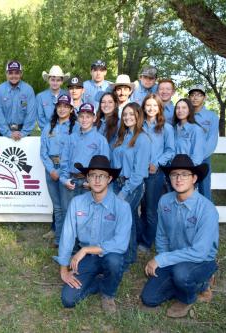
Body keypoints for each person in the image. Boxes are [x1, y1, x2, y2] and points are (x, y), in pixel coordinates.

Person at [141, 154, 218, 318]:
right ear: (169, 178)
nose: (179, 179)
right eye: (174, 174)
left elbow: (200, 252)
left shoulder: (207, 209)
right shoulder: (165, 201)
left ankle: (191, 294)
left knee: (181, 274)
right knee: (149, 298)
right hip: (174, 258)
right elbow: (161, 235)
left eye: (184, 174)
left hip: (200, 260)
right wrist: (162, 258)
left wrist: (160, 260)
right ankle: (193, 283)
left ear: (194, 178)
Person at [55, 155, 131, 313]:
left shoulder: (122, 207)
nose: (97, 180)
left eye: (101, 176)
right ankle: (98, 282)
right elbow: (67, 236)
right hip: (87, 259)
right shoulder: (77, 203)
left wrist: (86, 249)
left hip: (110, 254)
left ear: (109, 179)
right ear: (87, 178)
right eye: (92, 175)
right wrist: (63, 269)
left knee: (114, 262)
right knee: (68, 299)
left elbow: (121, 244)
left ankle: (108, 293)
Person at [59, 103, 110, 246]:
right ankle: (69, 247)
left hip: (89, 184)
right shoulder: (71, 138)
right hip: (72, 181)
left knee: (88, 216)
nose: (84, 119)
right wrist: (64, 180)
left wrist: (94, 183)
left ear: (94, 118)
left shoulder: (100, 140)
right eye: (81, 116)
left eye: (88, 116)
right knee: (68, 215)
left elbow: (104, 167)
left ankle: (86, 248)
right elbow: (64, 161)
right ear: (77, 119)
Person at [112, 102, 151, 268]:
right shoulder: (123, 136)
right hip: (118, 182)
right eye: (125, 114)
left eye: (131, 114)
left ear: (138, 116)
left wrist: (124, 192)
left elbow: (139, 173)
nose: (127, 117)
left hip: (132, 186)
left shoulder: (142, 139)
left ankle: (127, 258)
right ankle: (130, 253)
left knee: (125, 220)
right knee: (131, 219)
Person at [138, 94, 175, 252]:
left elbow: (170, 150)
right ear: (144, 107)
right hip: (138, 173)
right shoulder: (138, 126)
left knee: (151, 209)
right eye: (148, 105)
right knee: (140, 206)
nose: (151, 108)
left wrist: (157, 163)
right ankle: (140, 236)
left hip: (155, 173)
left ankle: (147, 242)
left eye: (154, 105)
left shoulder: (166, 128)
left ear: (160, 107)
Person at [40, 95, 76, 244]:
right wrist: (51, 170)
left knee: (67, 207)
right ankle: (59, 238)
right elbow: (43, 151)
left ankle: (68, 239)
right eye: (59, 106)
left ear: (71, 109)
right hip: (51, 170)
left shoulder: (75, 127)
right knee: (57, 207)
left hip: (66, 170)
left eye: (66, 106)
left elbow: (75, 150)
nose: (62, 109)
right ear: (56, 107)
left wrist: (61, 171)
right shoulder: (49, 126)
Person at [188, 85, 219, 201]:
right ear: (189, 97)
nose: (195, 98)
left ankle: (206, 218)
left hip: (203, 159)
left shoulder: (211, 116)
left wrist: (198, 158)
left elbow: (212, 140)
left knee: (204, 190)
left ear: (204, 98)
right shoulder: (185, 114)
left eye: (199, 95)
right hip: (186, 159)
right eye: (192, 95)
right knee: (186, 191)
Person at [0, 60, 37, 140]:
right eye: (10, 73)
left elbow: (31, 114)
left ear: (21, 74)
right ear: (6, 74)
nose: (14, 76)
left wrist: (23, 133)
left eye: (16, 73)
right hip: (4, 134)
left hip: (24, 134)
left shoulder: (28, 90)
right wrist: (8, 133)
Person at [172, 98, 205, 166]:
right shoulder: (173, 129)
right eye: (178, 108)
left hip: (188, 170)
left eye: (184, 108)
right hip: (173, 169)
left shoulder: (196, 130)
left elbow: (197, 157)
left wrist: (187, 171)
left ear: (190, 111)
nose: (180, 110)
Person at [36, 65, 69, 130]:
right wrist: (49, 130)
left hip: (65, 131)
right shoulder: (40, 97)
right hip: (47, 132)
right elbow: (40, 117)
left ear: (62, 82)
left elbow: (70, 114)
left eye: (58, 80)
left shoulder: (67, 95)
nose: (55, 83)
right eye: (53, 80)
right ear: (48, 80)